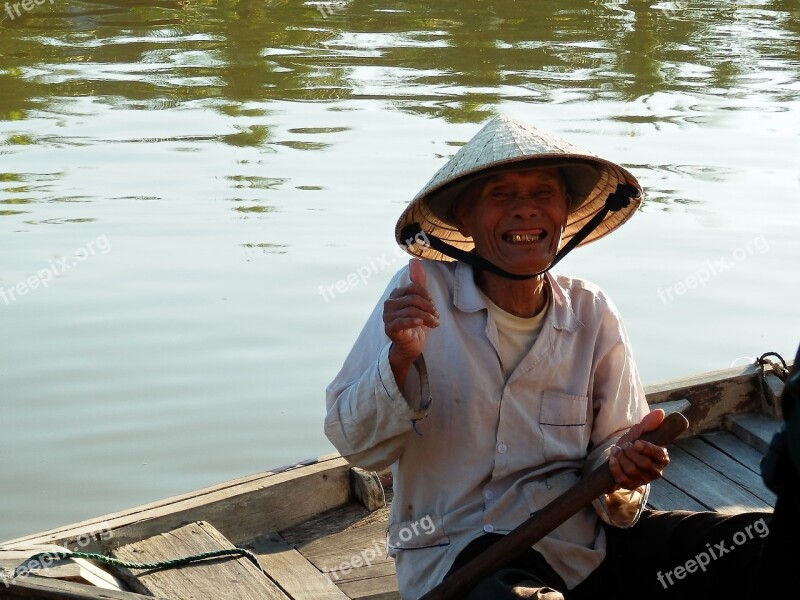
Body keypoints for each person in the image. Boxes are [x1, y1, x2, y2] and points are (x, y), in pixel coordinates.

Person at [325, 115, 771, 599]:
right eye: (502, 196)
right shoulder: (419, 293)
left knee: (759, 538)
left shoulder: (592, 311)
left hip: (584, 546)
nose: (525, 211)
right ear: (464, 220)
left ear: (564, 212)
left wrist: (624, 469)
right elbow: (357, 447)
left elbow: (614, 452)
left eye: (543, 194)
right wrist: (400, 357)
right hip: (462, 556)